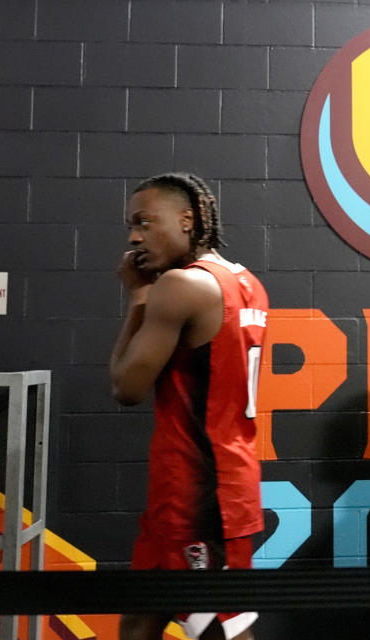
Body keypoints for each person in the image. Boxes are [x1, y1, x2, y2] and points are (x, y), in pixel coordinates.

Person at [110, 173, 268, 640]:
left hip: (199, 494)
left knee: (219, 627)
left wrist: (137, 296)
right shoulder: (245, 282)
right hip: (209, 480)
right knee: (140, 619)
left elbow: (126, 386)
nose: (134, 236)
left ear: (188, 219)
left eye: (145, 221)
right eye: (131, 225)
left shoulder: (180, 286)